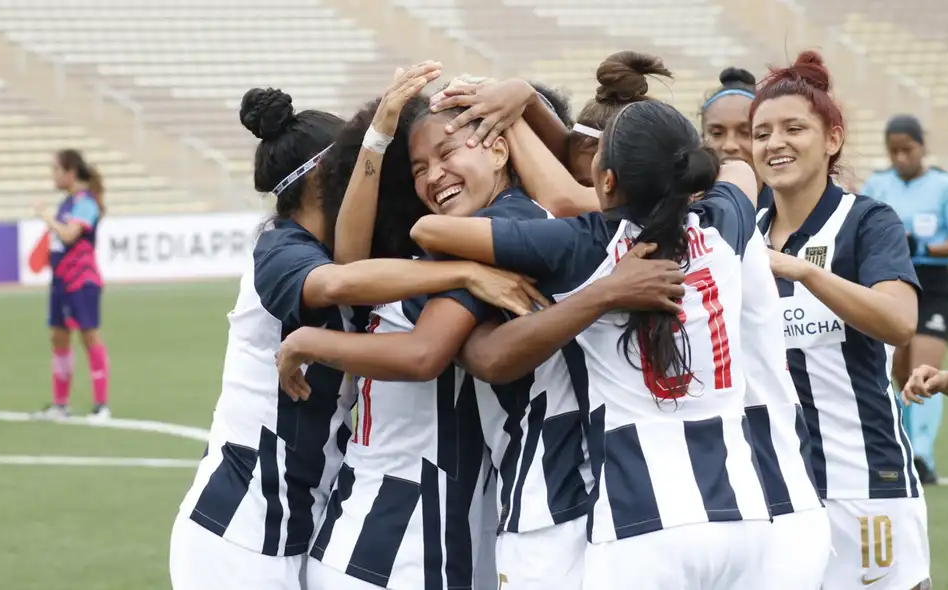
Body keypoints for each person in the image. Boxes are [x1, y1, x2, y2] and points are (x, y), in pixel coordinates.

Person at [277, 87, 687, 589]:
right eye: (420, 168)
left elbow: (427, 351)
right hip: (575, 500)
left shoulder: (502, 230)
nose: (433, 176)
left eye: (447, 153)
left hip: (550, 503)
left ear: (497, 150)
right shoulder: (519, 224)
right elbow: (356, 271)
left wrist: (304, 344)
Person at [169, 87, 541, 590]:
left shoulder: (371, 258)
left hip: (307, 523)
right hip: (242, 521)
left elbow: (355, 265)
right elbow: (339, 281)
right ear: (328, 175)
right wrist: (466, 274)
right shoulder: (281, 247)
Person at [408, 101, 773, 589]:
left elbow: (429, 230)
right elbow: (739, 170)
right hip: (743, 516)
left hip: (640, 525)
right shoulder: (722, 224)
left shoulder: (585, 245)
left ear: (606, 181)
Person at [751, 51, 930, 590]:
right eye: (762, 133)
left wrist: (803, 272)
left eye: (793, 128)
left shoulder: (866, 221)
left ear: (832, 139)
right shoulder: (743, 234)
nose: (774, 143)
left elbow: (900, 323)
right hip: (774, 490)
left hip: (863, 481)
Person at [430, 51, 672, 205]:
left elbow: (564, 200)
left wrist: (515, 107)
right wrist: (523, 94)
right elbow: (564, 150)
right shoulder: (584, 155)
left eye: (587, 185)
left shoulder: (652, 199)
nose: (562, 180)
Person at [862, 114, 948, 485]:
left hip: (932, 282)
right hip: (892, 281)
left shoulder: (943, 185)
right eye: (893, 151)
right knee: (899, 370)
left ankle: (921, 456)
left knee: (926, 368)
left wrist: (924, 246)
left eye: (907, 149)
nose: (900, 157)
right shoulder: (877, 185)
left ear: (921, 146)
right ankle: (901, 443)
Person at [32, 149, 109, 421]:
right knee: (58, 337)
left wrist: (46, 216)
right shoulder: (68, 202)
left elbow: (68, 235)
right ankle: (60, 405)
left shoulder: (85, 202)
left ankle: (101, 407)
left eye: (56, 170)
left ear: (70, 172)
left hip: (82, 281)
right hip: (62, 282)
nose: (53, 175)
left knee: (90, 337)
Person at [700, 67, 773, 211]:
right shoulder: (686, 216)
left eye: (745, 133)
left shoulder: (786, 215)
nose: (730, 146)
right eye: (716, 133)